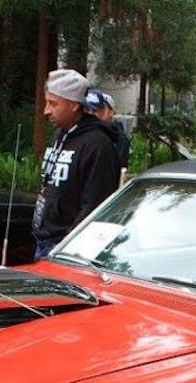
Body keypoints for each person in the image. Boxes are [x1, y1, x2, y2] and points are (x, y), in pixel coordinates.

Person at [32, 69, 121, 260]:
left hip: (66, 249)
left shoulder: (98, 146)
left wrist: (65, 246)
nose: (46, 111)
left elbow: (95, 206)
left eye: (53, 103)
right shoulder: (60, 134)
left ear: (73, 105)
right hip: (44, 240)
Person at [85, 89, 130, 168]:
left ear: (111, 112)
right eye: (87, 110)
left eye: (95, 110)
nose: (90, 113)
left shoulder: (118, 138)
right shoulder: (81, 132)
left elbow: (120, 166)